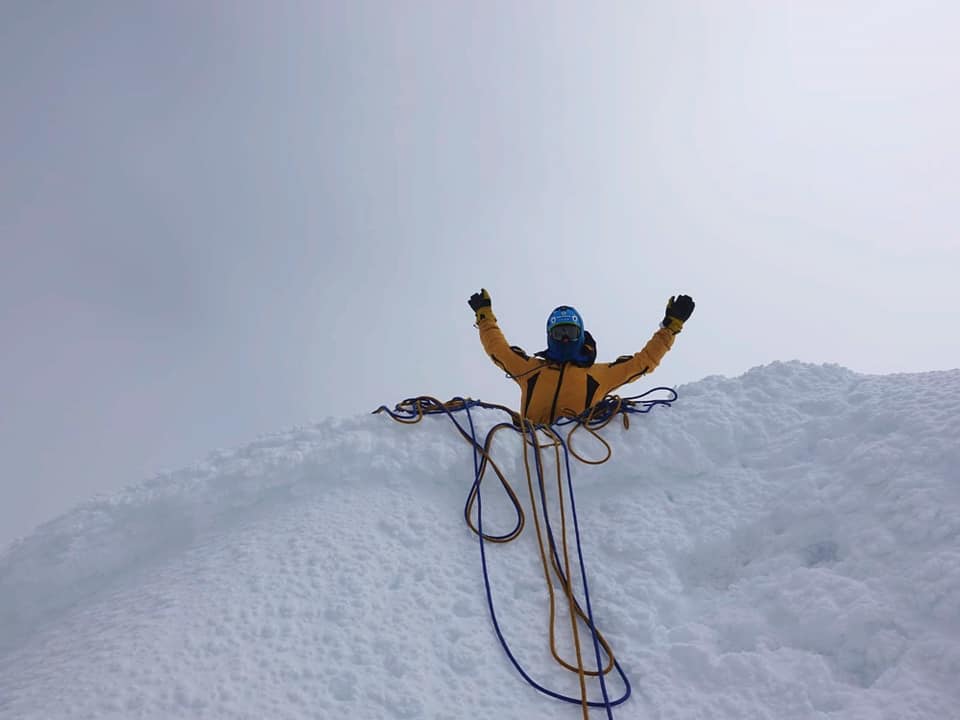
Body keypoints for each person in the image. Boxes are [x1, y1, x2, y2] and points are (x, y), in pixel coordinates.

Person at [468, 289, 694, 424]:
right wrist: (485, 317)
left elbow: (643, 362)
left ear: (581, 335)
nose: (565, 339)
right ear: (550, 336)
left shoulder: (599, 375)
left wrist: (669, 328)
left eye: (570, 332)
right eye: (559, 332)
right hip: (530, 446)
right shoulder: (530, 369)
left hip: (576, 453)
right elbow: (498, 350)